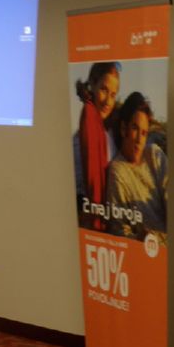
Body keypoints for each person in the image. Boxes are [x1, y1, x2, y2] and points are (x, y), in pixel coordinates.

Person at [106, 91, 168, 242]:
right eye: (135, 128)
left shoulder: (154, 155)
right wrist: (138, 238)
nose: (140, 140)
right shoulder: (118, 171)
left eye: (144, 133)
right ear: (123, 129)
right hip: (147, 250)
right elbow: (118, 229)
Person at [72, 61, 120, 230]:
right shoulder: (88, 120)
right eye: (104, 90)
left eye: (113, 95)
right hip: (94, 221)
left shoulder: (108, 131)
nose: (108, 101)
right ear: (92, 83)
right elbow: (88, 185)